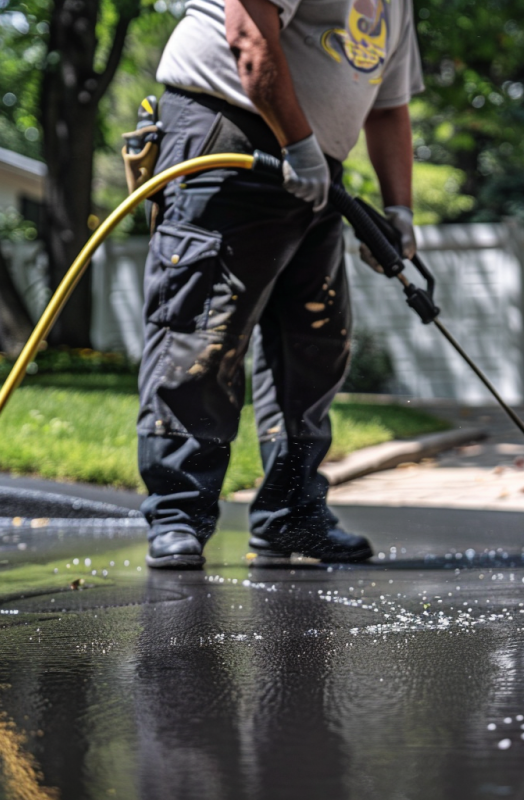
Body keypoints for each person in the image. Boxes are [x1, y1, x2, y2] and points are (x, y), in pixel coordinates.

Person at [139, 0, 424, 568]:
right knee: (202, 331)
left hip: (314, 160)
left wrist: (399, 211)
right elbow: (248, 33)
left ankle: (290, 515)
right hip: (229, 133)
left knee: (313, 341)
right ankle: (178, 514)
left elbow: (389, 107)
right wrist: (296, 143)